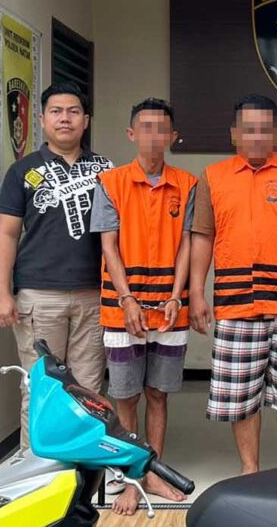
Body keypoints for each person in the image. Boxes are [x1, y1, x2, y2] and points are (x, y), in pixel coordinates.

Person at [188, 94, 277, 473]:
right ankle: (250, 471)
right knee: (242, 396)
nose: (257, 136)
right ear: (235, 133)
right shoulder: (213, 177)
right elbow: (202, 237)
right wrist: (196, 293)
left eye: (265, 129)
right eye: (249, 129)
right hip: (235, 305)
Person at [0, 80, 113, 449]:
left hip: (94, 296)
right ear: (42, 120)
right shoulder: (23, 171)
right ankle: (36, 468)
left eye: (73, 112)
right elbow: (7, 235)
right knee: (42, 389)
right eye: (56, 112)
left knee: (89, 390)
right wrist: (1, 292)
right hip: (39, 297)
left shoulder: (106, 170)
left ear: (86, 120)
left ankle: (81, 467)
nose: (65, 119)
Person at [89, 98, 196, 514]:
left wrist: (176, 294)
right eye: (145, 127)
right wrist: (127, 298)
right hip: (123, 310)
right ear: (131, 134)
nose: (154, 135)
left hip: (169, 310)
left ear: (173, 136)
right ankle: (131, 477)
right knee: (126, 396)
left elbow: (187, 245)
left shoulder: (187, 184)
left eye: (161, 128)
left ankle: (154, 472)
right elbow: (108, 247)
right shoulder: (110, 182)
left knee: (158, 394)